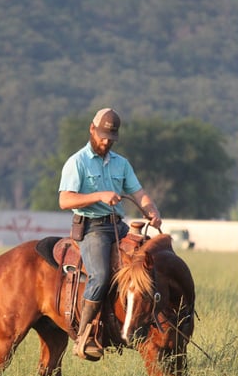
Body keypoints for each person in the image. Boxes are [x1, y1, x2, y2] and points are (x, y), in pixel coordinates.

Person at [58, 108, 162, 360]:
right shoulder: (77, 162)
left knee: (150, 265)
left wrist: (152, 210)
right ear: (92, 130)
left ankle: (147, 324)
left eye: (110, 138)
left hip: (118, 226)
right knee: (101, 276)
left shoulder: (121, 163)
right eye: (102, 136)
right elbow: (64, 200)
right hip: (92, 228)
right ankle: (84, 335)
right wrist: (100, 195)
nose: (105, 142)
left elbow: (138, 193)